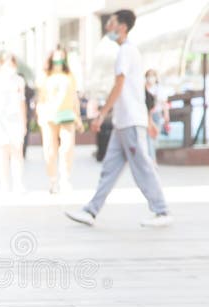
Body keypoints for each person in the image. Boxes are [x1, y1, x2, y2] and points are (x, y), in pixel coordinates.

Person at [65, 10, 172, 228]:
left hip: (130, 122)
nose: (108, 27)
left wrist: (102, 114)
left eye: (112, 22)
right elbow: (136, 90)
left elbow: (120, 86)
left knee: (142, 166)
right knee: (109, 169)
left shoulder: (126, 52)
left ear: (122, 27)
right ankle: (91, 210)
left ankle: (162, 210)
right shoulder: (129, 52)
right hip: (123, 122)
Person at [36, 47, 82, 194]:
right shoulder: (45, 75)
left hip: (67, 115)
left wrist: (78, 117)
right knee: (50, 149)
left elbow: (74, 96)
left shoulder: (69, 75)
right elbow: (40, 97)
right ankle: (53, 179)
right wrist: (40, 115)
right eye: (56, 57)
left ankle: (65, 179)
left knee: (67, 147)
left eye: (61, 57)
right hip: (49, 115)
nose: (58, 60)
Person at [0, 53, 27, 194]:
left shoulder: (19, 80)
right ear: (1, 64)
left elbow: (22, 102)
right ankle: (4, 184)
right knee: (2, 153)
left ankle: (18, 183)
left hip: (15, 120)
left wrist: (24, 122)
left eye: (12, 64)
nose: (10, 67)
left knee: (17, 151)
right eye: (7, 64)